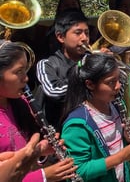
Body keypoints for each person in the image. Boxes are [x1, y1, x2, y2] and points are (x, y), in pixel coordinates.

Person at [60, 53, 130, 182]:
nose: (118, 86)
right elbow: (77, 171)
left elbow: (112, 144)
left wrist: (127, 137)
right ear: (90, 84)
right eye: (111, 82)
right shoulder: (77, 124)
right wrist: (121, 157)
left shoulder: (116, 106)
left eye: (118, 80)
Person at [0, 39, 77, 182]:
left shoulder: (21, 103)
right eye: (18, 72)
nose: (26, 78)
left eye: (25, 71)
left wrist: (41, 151)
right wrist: (43, 176)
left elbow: (23, 153)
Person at [35, 10, 90, 130]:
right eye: (78, 33)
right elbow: (53, 91)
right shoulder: (46, 64)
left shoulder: (90, 60)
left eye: (87, 33)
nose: (84, 38)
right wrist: (86, 70)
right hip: (60, 131)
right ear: (60, 37)